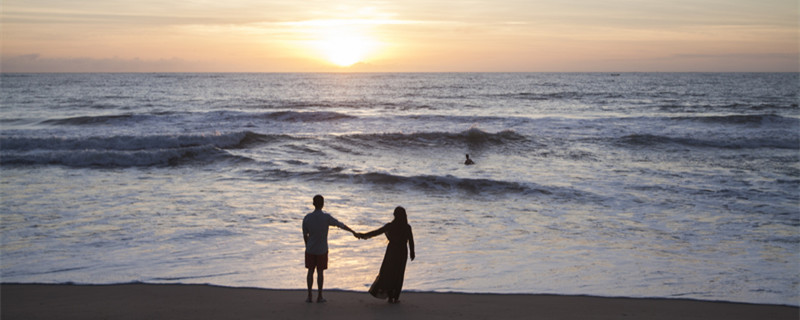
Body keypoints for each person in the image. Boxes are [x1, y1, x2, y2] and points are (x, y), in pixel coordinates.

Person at [302, 195, 358, 303]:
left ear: (313, 204)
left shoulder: (307, 218)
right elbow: (340, 225)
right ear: (323, 204)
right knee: (320, 272)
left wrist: (307, 246)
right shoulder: (326, 217)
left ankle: (309, 296)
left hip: (310, 249)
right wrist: (353, 232)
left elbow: (305, 235)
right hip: (322, 249)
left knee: (310, 272)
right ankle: (319, 296)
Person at [356, 206, 415, 303]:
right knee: (398, 274)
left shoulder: (390, 226)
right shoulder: (407, 227)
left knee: (388, 272)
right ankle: (395, 297)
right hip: (402, 252)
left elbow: (376, 232)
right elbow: (411, 241)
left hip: (391, 251)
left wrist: (363, 235)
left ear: (394, 215)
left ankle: (390, 296)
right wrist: (412, 253)